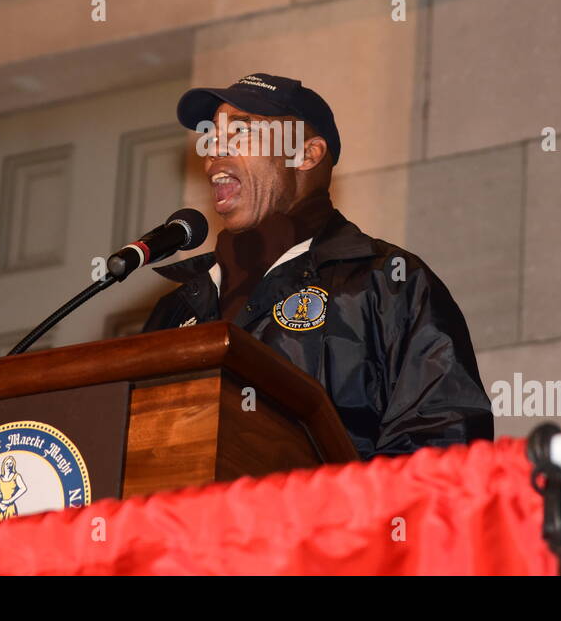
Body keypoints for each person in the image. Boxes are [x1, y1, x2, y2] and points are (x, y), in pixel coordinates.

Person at [142, 73, 494, 459]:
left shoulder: (388, 283)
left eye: (240, 131)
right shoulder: (176, 309)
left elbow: (442, 452)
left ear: (306, 154)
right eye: (210, 137)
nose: (213, 151)